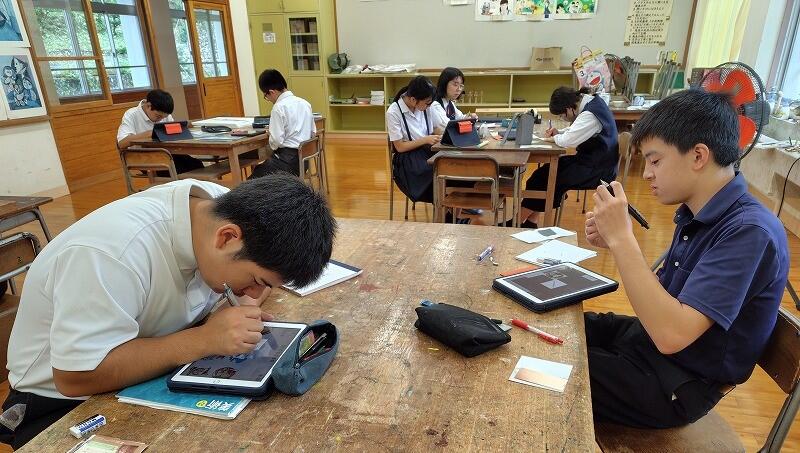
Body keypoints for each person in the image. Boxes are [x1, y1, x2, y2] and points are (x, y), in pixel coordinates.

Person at [0, 175, 336, 449]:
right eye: (255, 281)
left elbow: (255, 286)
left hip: (155, 362)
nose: (255, 293)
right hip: (59, 403)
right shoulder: (110, 254)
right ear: (227, 239)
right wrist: (203, 340)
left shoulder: (222, 210)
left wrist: (243, 308)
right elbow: (74, 377)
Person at [583, 89, 789, 428]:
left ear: (698, 156)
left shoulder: (749, 232)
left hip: (677, 383)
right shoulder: (697, 211)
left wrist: (622, 240)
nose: (647, 174)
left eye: (655, 161)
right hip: (649, 346)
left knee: (553, 366)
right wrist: (617, 242)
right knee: (563, 327)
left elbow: (671, 334)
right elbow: (663, 298)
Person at [516, 86, 618, 228]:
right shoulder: (590, 103)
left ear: (569, 109)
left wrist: (554, 138)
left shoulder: (590, 114)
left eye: (561, 115)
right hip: (591, 161)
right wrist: (559, 132)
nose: (562, 118)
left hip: (598, 169)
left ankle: (515, 223)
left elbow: (568, 141)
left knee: (545, 178)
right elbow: (576, 130)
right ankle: (530, 222)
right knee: (542, 175)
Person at [117, 89, 204, 174]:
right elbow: (121, 143)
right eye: (158, 116)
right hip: (143, 158)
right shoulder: (131, 115)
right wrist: (150, 133)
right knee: (180, 170)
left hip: (166, 153)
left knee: (197, 165)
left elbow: (172, 134)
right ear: (148, 106)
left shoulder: (163, 113)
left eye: (164, 117)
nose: (161, 119)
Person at [249, 69, 315, 179]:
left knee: (251, 182)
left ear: (271, 92)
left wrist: (271, 134)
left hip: (286, 163)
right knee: (261, 169)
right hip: (304, 162)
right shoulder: (305, 103)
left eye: (266, 96)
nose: (268, 100)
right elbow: (313, 133)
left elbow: (276, 142)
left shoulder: (278, 108)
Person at [386, 75, 441, 204]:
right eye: (427, 103)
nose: (429, 106)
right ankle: (446, 208)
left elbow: (436, 128)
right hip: (408, 159)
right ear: (413, 99)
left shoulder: (426, 106)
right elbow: (399, 147)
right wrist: (425, 140)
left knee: (451, 165)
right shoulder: (394, 112)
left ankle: (454, 206)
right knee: (435, 174)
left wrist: (444, 135)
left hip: (427, 151)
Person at [430, 67, 478, 132]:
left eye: (461, 86)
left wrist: (470, 117)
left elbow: (460, 118)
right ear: (444, 84)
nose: (459, 89)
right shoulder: (435, 104)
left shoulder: (450, 102)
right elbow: (448, 126)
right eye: (455, 85)